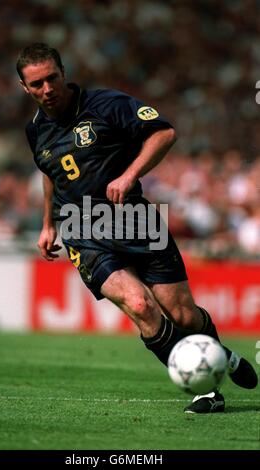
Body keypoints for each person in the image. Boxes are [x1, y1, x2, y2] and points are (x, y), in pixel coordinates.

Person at [17, 43, 258, 413]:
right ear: (25, 88)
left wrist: (130, 175)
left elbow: (164, 134)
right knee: (140, 305)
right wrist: (48, 222)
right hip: (82, 228)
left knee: (182, 315)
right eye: (36, 84)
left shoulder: (107, 104)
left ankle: (220, 354)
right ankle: (207, 390)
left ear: (64, 73)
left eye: (51, 78)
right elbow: (48, 171)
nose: (47, 89)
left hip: (135, 219)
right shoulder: (35, 131)